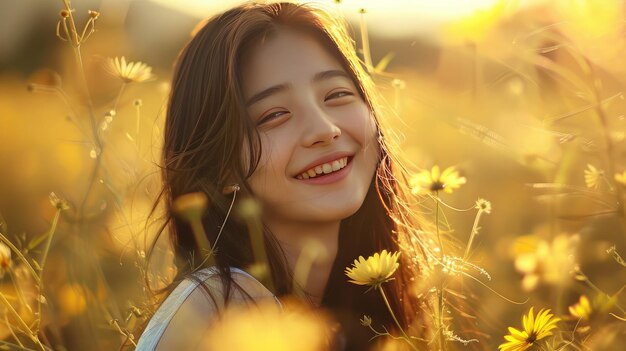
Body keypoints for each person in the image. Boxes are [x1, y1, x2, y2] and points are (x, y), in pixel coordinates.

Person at [134, 2, 433, 350]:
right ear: (219, 168)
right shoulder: (217, 311)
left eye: (337, 94)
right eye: (274, 114)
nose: (325, 129)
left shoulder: (365, 310)